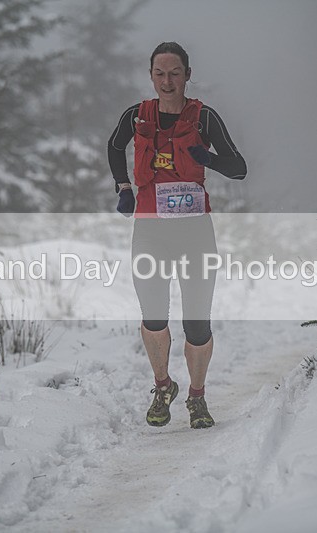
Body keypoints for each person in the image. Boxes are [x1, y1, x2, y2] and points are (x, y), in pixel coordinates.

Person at [107, 42, 247, 429]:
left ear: (187, 74)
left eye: (174, 73)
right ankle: (163, 385)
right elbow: (114, 146)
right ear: (151, 75)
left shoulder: (204, 119)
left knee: (196, 323)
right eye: (159, 73)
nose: (167, 81)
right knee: (153, 317)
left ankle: (197, 397)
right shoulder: (136, 116)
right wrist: (123, 188)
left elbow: (239, 168)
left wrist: (209, 159)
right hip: (151, 230)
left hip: (195, 233)